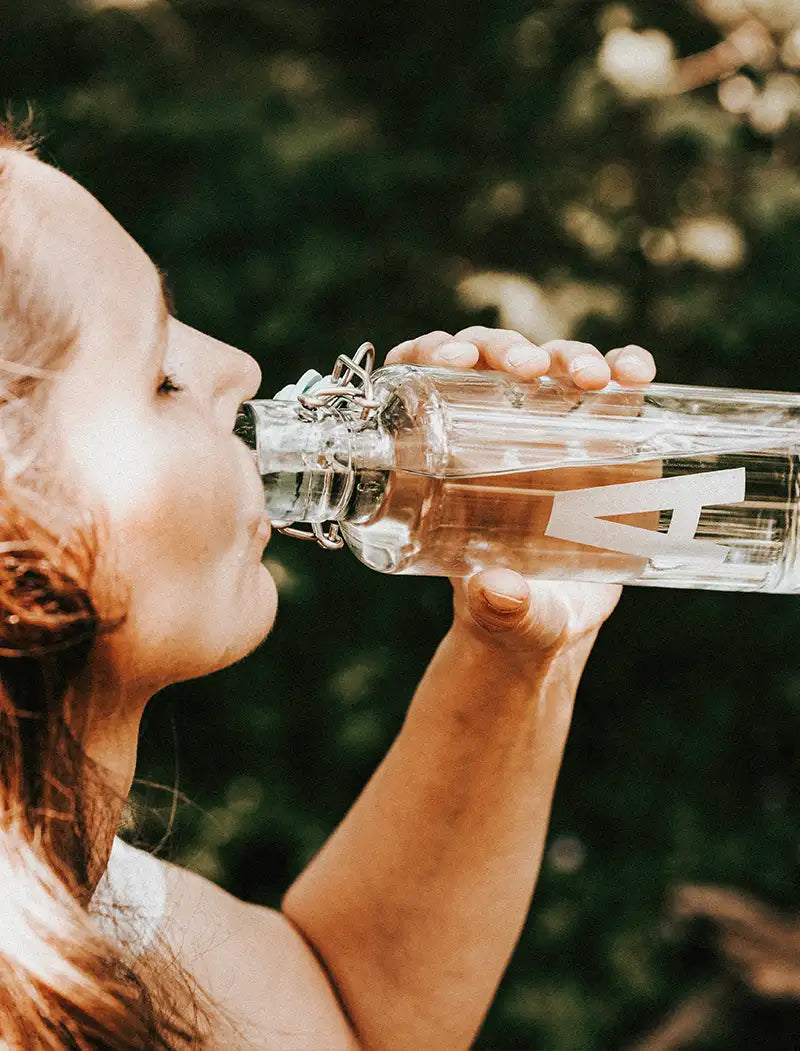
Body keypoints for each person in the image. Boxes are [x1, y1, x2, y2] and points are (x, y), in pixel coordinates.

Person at [0, 119, 656, 1050]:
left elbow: (348, 1017)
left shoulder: (74, 916)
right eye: (160, 377)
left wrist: (518, 652)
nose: (239, 365)